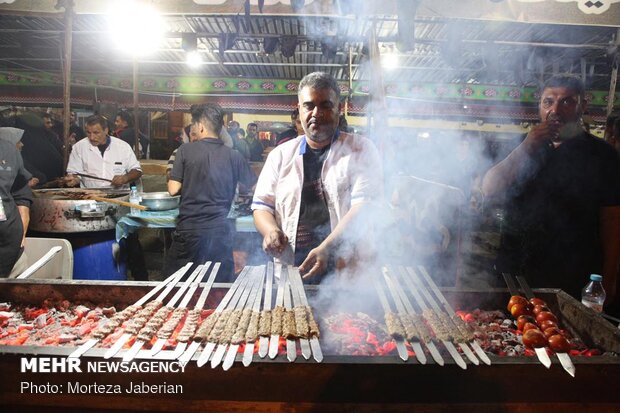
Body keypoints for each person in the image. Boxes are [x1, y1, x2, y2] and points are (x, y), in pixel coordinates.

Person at [481, 74, 620, 306]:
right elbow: (489, 188)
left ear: (582, 106)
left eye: (567, 101)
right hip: (515, 269)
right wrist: (526, 147)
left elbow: (613, 222)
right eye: (548, 101)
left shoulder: (603, 156)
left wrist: (608, 280)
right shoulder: (520, 145)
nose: (555, 109)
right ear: (540, 105)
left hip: (573, 274)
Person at [252, 71, 383, 282]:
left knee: (348, 316)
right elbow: (262, 207)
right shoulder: (280, 155)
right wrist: (271, 231)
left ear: (338, 110)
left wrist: (326, 248)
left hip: (345, 269)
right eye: (309, 105)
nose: (316, 113)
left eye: (325, 105)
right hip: (292, 267)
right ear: (299, 110)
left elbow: (364, 206)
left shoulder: (361, 149)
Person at [166, 103, 257, 281]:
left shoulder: (185, 150)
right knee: (219, 286)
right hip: (220, 231)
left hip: (189, 231)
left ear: (200, 126)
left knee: (178, 286)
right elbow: (254, 187)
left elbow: (173, 189)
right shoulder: (234, 155)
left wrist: (193, 181)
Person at [65, 115, 142, 189]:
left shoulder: (123, 147)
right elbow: (74, 173)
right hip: (90, 196)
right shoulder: (79, 147)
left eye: (96, 133)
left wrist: (125, 178)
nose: (91, 137)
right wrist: (74, 179)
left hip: (119, 196)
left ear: (106, 130)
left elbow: (137, 171)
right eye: (88, 132)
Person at [0, 127, 33, 278]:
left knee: (18, 300)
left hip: (13, 252)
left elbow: (20, 191)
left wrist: (22, 231)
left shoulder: (8, 149)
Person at [19, 113, 64, 185]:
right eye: (47, 123)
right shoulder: (36, 138)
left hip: (48, 181)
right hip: (39, 181)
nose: (50, 125)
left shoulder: (50, 136)